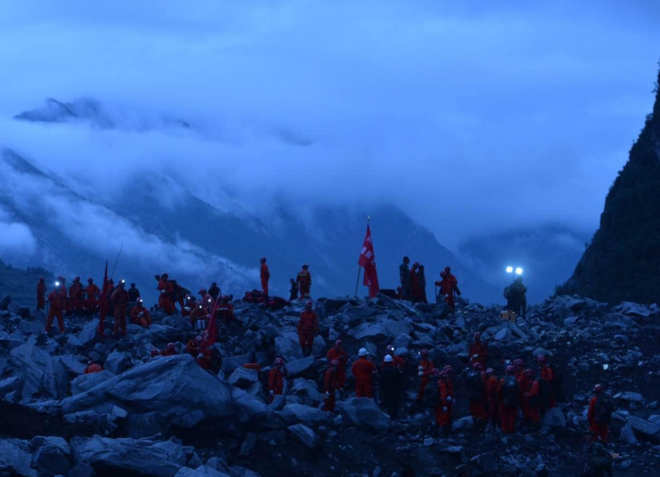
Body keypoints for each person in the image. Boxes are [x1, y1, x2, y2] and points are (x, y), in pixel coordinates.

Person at [380, 355, 403, 419]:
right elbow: (399, 379)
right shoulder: (395, 369)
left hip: (387, 390)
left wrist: (382, 390)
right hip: (395, 389)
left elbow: (382, 382)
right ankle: (395, 415)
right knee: (395, 402)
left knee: (389, 403)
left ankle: (391, 416)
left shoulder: (384, 371)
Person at [467, 362, 488, 429]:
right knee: (480, 410)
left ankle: (475, 425)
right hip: (479, 396)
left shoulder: (469, 374)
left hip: (471, 396)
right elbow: (483, 386)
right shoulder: (480, 375)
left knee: (473, 410)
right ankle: (480, 426)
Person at [498, 365, 519, 434]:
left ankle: (504, 429)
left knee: (504, 415)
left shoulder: (503, 380)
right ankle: (511, 429)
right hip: (513, 401)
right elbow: (518, 391)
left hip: (504, 400)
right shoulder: (516, 380)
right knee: (512, 415)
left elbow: (499, 391)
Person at [434, 370, 454, 437]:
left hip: (437, 404)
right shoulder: (443, 385)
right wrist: (444, 405)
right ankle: (445, 435)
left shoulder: (437, 383)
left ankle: (435, 433)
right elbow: (443, 396)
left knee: (438, 418)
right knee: (444, 418)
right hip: (441, 404)